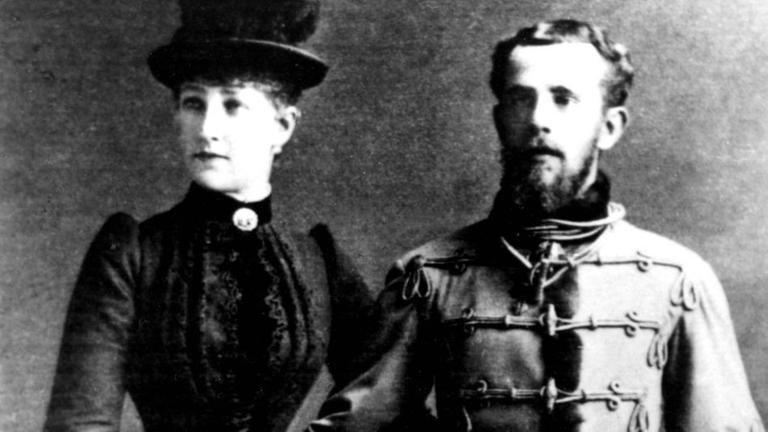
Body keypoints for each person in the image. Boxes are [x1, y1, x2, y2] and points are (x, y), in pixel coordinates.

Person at [309, 19, 764, 432]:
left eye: (563, 99)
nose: (538, 120)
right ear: (499, 120)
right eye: (519, 99)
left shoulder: (678, 281)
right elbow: (358, 427)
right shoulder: (429, 276)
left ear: (610, 127)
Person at [43, 0, 373, 431]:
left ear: (283, 126)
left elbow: (389, 403)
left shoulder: (320, 263)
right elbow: (79, 422)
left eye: (233, 105)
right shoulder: (133, 254)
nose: (207, 129)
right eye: (194, 103)